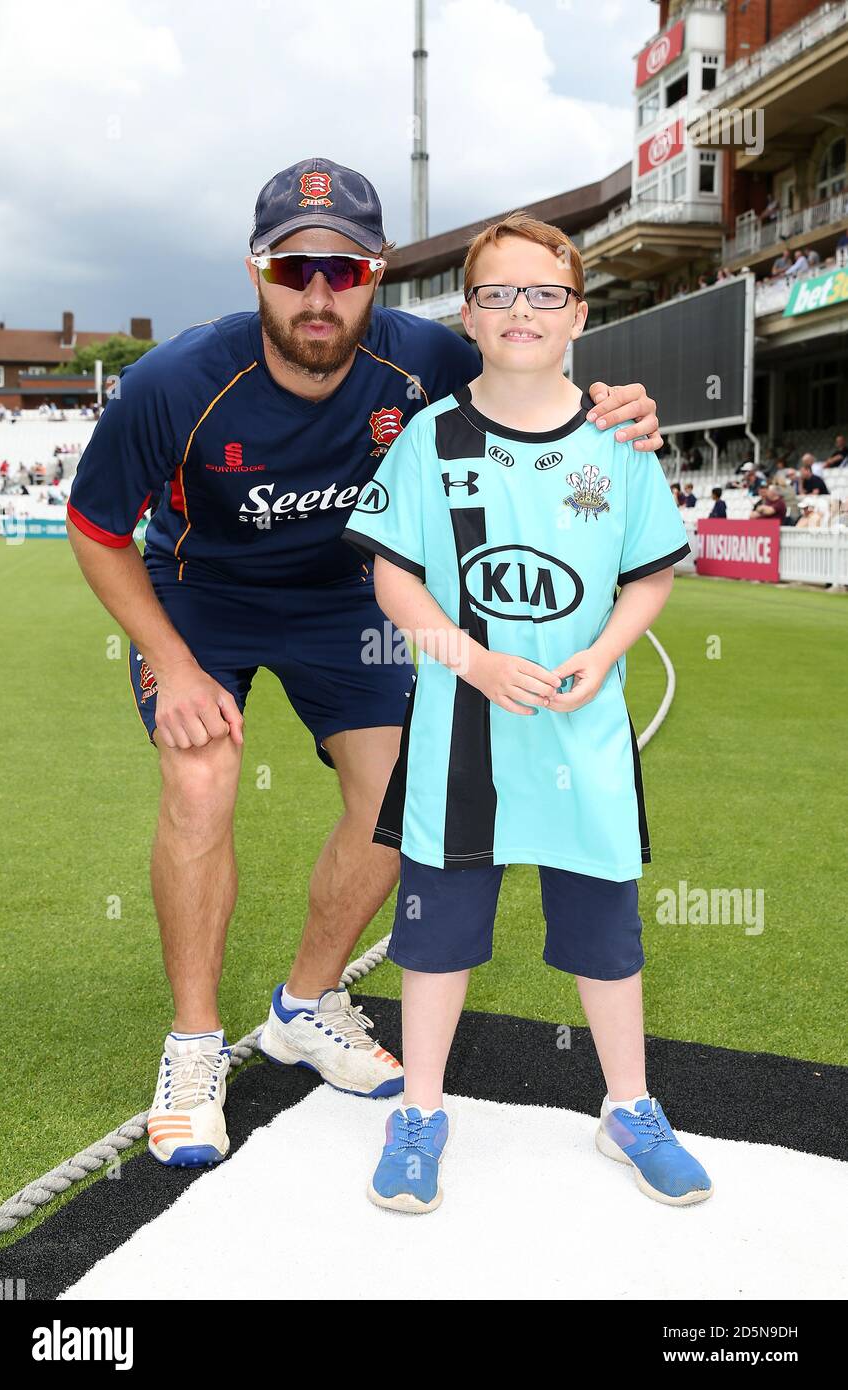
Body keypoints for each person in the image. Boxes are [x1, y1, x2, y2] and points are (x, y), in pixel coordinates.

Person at [66, 159, 667, 1169]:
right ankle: (194, 1046)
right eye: (292, 267)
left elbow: (530, 369)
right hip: (199, 596)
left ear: (377, 272)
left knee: (401, 792)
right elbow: (93, 528)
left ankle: (303, 1003)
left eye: (341, 272)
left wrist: (615, 403)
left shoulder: (425, 356)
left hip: (350, 597)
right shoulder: (175, 381)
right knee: (204, 770)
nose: (315, 293)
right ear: (255, 268)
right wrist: (170, 664)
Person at [342, 211, 711, 1212]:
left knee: (605, 932)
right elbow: (392, 580)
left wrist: (600, 652)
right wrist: (468, 659)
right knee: (434, 937)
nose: (519, 310)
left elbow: (648, 577)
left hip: (579, 733)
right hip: (463, 739)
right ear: (466, 314)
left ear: (577, 314)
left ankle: (628, 1107)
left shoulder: (617, 438)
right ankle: (418, 1111)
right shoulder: (429, 438)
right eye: (496, 292)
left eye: (542, 293)